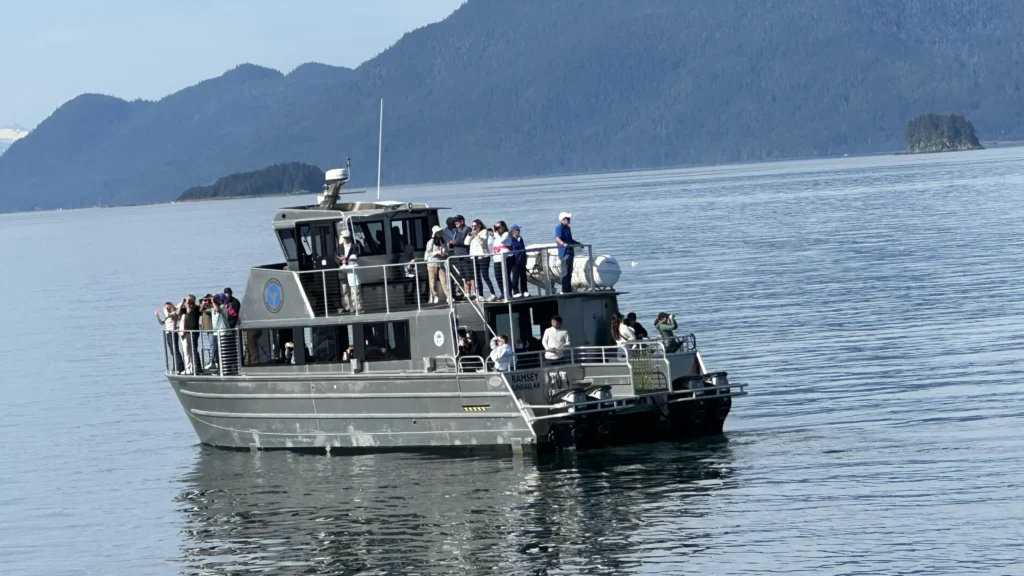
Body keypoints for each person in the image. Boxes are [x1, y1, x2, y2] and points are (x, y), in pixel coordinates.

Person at [467, 219, 495, 300]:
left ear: (479, 225)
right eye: (472, 226)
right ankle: (481, 295)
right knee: (477, 277)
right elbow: (466, 243)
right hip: (474, 257)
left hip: (483, 257)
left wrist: (476, 235)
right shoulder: (473, 233)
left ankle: (493, 294)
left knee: (485, 276)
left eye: (475, 226)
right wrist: (469, 235)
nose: (473, 228)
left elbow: (482, 243)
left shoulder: (484, 232)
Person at [202, 294, 231, 370]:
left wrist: (212, 301)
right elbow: (201, 310)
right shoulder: (212, 309)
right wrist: (204, 302)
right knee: (215, 350)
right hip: (215, 333)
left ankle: (225, 367)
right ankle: (217, 365)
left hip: (223, 332)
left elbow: (218, 310)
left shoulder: (222, 307)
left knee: (224, 350)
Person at [337, 230, 361, 313]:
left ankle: (356, 307)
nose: (346, 239)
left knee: (354, 289)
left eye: (347, 238)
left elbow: (355, 257)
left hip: (351, 271)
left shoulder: (354, 247)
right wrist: (340, 261)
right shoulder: (339, 247)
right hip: (343, 271)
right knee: (344, 290)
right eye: (344, 238)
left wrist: (346, 259)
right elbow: (336, 257)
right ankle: (346, 307)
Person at [155, 302, 183, 373]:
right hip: (168, 333)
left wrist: (167, 310)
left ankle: (180, 367)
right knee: (172, 351)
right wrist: (157, 316)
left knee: (175, 350)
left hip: (173, 333)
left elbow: (171, 315)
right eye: (165, 308)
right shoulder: (167, 316)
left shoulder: (174, 314)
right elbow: (162, 323)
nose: (167, 309)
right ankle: (175, 367)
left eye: (168, 307)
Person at [447, 215, 472, 297]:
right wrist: (450, 244)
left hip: (465, 256)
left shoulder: (467, 229)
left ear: (462, 221)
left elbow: (466, 242)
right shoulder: (456, 231)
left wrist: (455, 243)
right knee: (463, 276)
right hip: (458, 257)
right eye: (455, 221)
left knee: (469, 276)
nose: (456, 222)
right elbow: (456, 243)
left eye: (457, 221)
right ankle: (467, 292)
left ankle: (472, 293)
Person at [425, 225, 450, 304]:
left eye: (440, 232)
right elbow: (428, 252)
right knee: (432, 281)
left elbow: (446, 250)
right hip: (432, 263)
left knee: (444, 280)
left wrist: (444, 254)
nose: (439, 233)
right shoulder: (430, 242)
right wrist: (436, 252)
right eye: (438, 232)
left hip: (441, 263)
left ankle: (448, 296)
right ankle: (435, 296)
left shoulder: (443, 241)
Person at [554, 211, 577, 293]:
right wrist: (563, 244)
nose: (569, 220)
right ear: (563, 220)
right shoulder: (559, 227)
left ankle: (568, 288)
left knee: (570, 271)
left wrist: (578, 243)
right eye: (567, 218)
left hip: (570, 252)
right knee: (565, 271)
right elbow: (557, 238)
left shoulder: (568, 228)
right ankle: (564, 289)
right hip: (564, 252)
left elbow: (570, 240)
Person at [179, 295, 203, 374]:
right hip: (187, 333)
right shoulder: (185, 309)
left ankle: (197, 368)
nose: (187, 301)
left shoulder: (196, 308)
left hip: (194, 332)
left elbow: (197, 310)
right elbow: (178, 312)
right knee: (188, 351)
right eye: (187, 300)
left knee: (194, 350)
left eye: (189, 300)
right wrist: (183, 302)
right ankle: (191, 368)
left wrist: (190, 303)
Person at [491, 221, 511, 300]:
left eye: (498, 227)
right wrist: (491, 234)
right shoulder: (496, 237)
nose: (497, 229)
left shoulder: (506, 234)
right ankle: (503, 293)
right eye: (496, 228)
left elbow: (501, 241)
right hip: (496, 259)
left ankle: (508, 293)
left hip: (505, 258)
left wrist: (495, 233)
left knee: (505, 277)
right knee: (498, 277)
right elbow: (492, 244)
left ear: (503, 227)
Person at [507, 224, 528, 297]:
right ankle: (515, 291)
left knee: (523, 276)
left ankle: (524, 290)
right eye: (517, 230)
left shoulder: (520, 238)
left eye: (519, 230)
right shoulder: (510, 239)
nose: (519, 231)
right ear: (513, 231)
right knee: (515, 276)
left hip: (522, 259)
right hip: (515, 260)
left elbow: (523, 248)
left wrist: (525, 258)